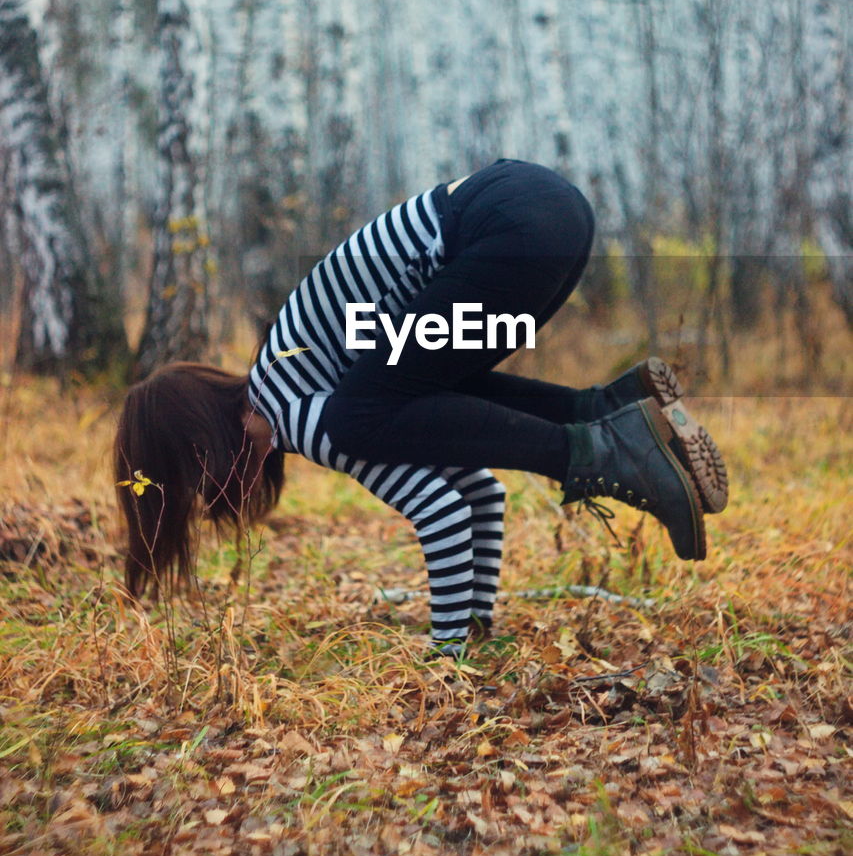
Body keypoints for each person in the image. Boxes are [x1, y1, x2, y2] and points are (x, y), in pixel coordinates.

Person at [115, 159, 728, 655]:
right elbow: (479, 495)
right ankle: (610, 409)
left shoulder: (289, 411)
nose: (209, 496)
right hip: (550, 210)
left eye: (192, 485)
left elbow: (438, 511)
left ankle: (610, 452)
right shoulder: (295, 369)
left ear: (201, 453)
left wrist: (444, 657)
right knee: (427, 400)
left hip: (498, 225)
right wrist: (476, 628)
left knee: (364, 417)